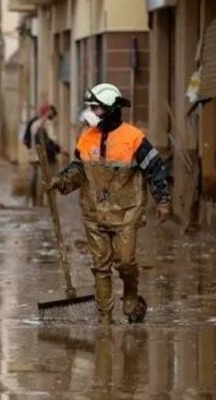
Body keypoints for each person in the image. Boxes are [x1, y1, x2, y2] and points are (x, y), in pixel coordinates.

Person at [44, 83, 171, 325]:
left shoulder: (134, 138)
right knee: (100, 266)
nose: (91, 112)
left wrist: (162, 200)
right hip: (93, 212)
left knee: (124, 261)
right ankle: (105, 318)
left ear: (111, 109)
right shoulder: (86, 137)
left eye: (96, 108)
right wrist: (59, 181)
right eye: (90, 107)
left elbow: (155, 169)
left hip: (126, 212)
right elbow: (78, 169)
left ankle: (131, 293)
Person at [23, 104, 60, 206]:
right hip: (46, 156)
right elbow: (53, 139)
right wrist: (61, 148)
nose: (52, 114)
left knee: (35, 178)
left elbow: (30, 140)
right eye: (50, 112)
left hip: (35, 156)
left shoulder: (34, 123)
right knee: (49, 178)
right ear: (47, 113)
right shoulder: (48, 124)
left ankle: (33, 201)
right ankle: (47, 203)